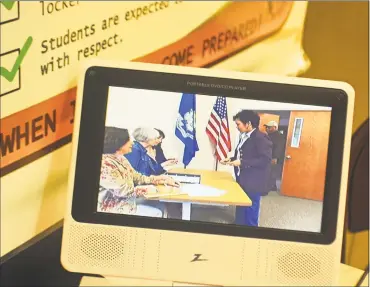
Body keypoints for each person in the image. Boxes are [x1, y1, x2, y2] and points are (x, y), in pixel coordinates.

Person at [98, 127, 179, 216]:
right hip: (114, 209)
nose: (132, 143)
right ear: (118, 144)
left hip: (128, 203)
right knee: (157, 212)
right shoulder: (104, 164)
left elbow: (137, 177)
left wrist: (160, 179)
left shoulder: (121, 158)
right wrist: (146, 189)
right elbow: (123, 191)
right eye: (128, 140)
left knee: (161, 206)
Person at [220, 110, 272, 227]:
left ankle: (250, 231)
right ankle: (238, 225)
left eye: (238, 124)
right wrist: (231, 159)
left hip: (254, 179)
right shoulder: (244, 136)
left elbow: (265, 160)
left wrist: (242, 162)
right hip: (242, 176)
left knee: (251, 207)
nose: (237, 127)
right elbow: (243, 154)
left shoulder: (261, 138)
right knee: (241, 201)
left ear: (248, 123)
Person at [264, 121, 285, 191]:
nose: (267, 128)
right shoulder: (269, 135)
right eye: (266, 127)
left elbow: (279, 147)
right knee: (269, 172)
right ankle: (271, 186)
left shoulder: (278, 136)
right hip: (268, 156)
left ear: (275, 127)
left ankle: (271, 187)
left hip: (274, 158)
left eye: (269, 127)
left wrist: (275, 158)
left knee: (272, 172)